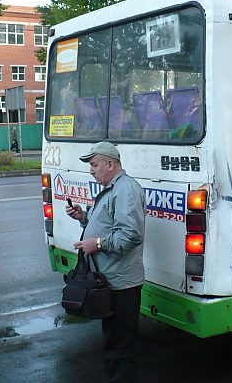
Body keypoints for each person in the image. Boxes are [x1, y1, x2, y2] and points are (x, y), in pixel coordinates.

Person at [65, 141, 146, 383]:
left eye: (94, 165)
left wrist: (96, 244)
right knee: (114, 341)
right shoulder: (113, 188)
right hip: (111, 280)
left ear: (110, 164)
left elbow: (130, 235)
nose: (91, 170)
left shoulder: (126, 190)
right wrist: (84, 218)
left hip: (122, 283)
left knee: (120, 346)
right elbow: (110, 224)